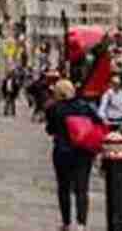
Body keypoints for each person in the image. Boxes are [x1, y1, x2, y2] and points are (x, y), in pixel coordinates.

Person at [46, 79, 102, 231]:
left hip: (62, 153)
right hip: (83, 152)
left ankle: (66, 223)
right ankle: (81, 224)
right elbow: (99, 122)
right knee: (82, 188)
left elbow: (50, 130)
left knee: (63, 188)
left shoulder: (54, 108)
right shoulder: (85, 106)